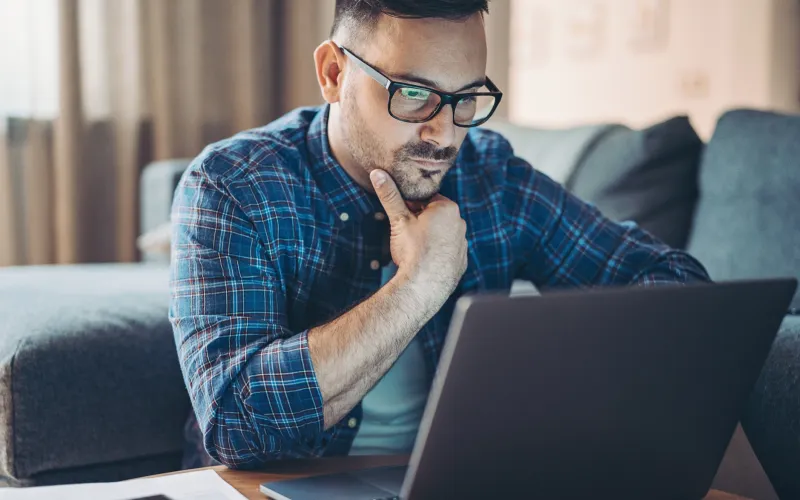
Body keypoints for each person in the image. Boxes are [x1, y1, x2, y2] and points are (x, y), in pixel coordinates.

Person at [169, 0, 709, 469]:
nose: (445, 133)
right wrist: (420, 288)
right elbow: (235, 426)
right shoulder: (233, 186)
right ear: (334, 72)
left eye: (466, 98)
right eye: (412, 94)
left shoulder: (493, 179)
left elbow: (677, 286)